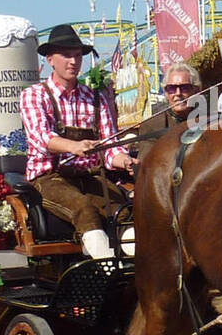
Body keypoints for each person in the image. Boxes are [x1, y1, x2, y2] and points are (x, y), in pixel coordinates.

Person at [19, 24, 134, 259]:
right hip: (50, 178)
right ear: (50, 59)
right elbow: (41, 137)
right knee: (84, 209)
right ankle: (106, 268)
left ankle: (133, 270)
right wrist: (73, 146)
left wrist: (126, 161)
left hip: (89, 176)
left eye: (77, 55)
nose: (73, 61)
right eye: (66, 55)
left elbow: (110, 146)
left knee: (125, 210)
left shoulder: (95, 97)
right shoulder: (34, 95)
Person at [139, 63, 205, 141]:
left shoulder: (211, 122)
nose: (178, 93)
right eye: (172, 88)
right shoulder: (152, 126)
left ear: (196, 91)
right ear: (166, 94)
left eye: (184, 88)